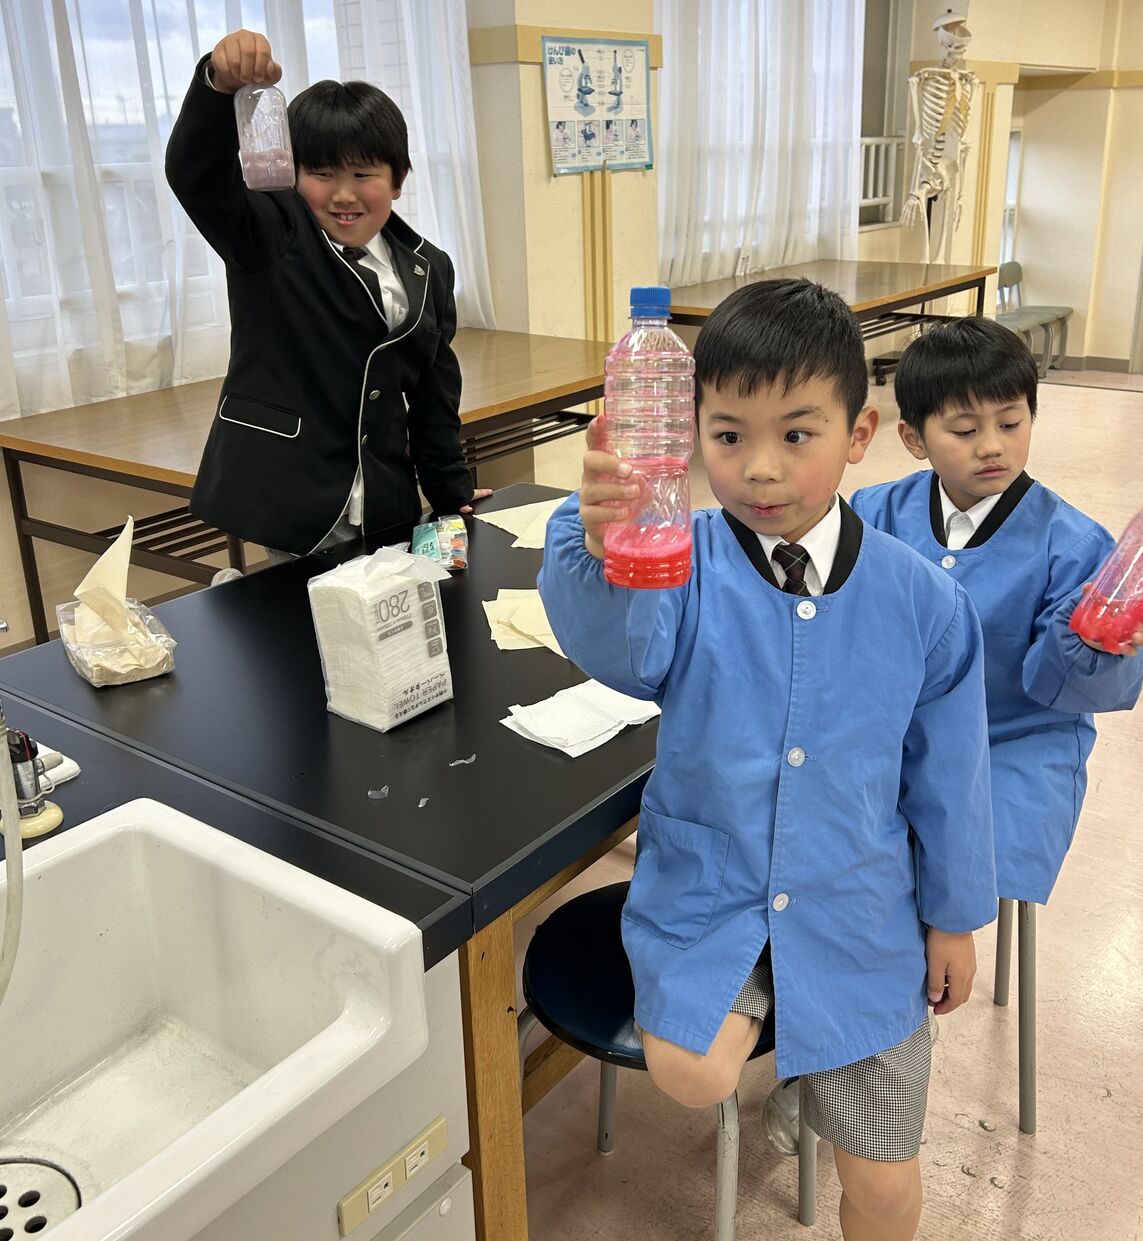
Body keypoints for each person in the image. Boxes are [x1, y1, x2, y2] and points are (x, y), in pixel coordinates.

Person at [539, 279, 997, 1240]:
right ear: (690, 434)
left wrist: (955, 918)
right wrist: (597, 542)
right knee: (692, 1069)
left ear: (859, 432)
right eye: (727, 434)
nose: (759, 468)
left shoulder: (923, 601)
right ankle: (788, 1039)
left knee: (881, 1180)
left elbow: (950, 776)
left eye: (797, 433)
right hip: (718, 885)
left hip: (861, 900)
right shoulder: (682, 558)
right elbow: (625, 656)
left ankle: (813, 1059)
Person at [850, 316, 1143, 909]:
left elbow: (1066, 688)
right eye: (964, 430)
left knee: (955, 868)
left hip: (1012, 743)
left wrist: (1099, 647)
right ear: (913, 439)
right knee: (830, 848)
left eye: (1011, 423)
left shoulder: (1075, 545)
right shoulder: (873, 513)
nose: (992, 445)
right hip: (889, 732)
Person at [165, 29, 489, 559]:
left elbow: (434, 391)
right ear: (293, 174)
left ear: (398, 179)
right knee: (300, 615)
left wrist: (451, 489)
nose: (343, 194)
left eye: (363, 174)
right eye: (320, 174)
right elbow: (195, 176)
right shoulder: (272, 237)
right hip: (292, 504)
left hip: (384, 504)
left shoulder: (429, 266)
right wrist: (216, 86)